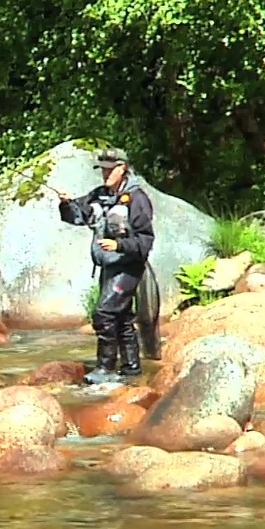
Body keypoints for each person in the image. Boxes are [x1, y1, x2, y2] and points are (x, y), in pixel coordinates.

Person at [57, 147, 156, 384]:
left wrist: (118, 246)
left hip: (128, 267)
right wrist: (67, 203)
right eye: (102, 169)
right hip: (109, 268)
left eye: (110, 170)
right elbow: (79, 216)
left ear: (123, 169)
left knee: (104, 314)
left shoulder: (137, 199)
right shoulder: (100, 194)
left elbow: (145, 240)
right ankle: (132, 369)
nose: (105, 174)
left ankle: (106, 368)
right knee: (121, 318)